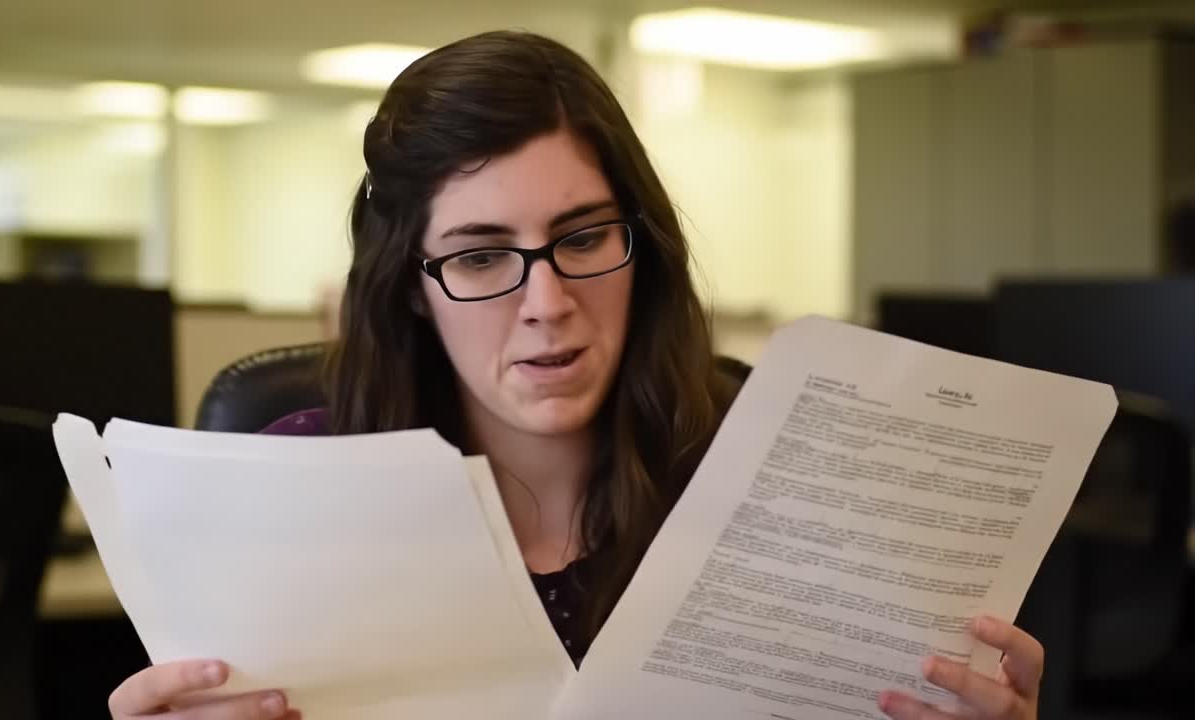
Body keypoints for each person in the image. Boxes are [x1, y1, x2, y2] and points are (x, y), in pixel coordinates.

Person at [108, 30, 1045, 720]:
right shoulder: (295, 488)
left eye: (585, 237)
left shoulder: (782, 482)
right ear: (409, 289)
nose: (547, 300)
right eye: (481, 257)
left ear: (644, 251)